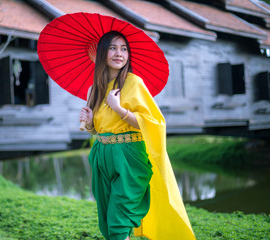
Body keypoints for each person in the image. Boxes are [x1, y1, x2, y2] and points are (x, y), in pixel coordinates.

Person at [79, 31, 195, 240]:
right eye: (113, 48)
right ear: (102, 53)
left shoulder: (133, 83)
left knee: (120, 218)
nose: (119, 53)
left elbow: (154, 123)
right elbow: (99, 129)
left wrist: (118, 108)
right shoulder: (93, 90)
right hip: (102, 154)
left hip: (129, 155)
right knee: (106, 217)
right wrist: (89, 122)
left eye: (124, 49)